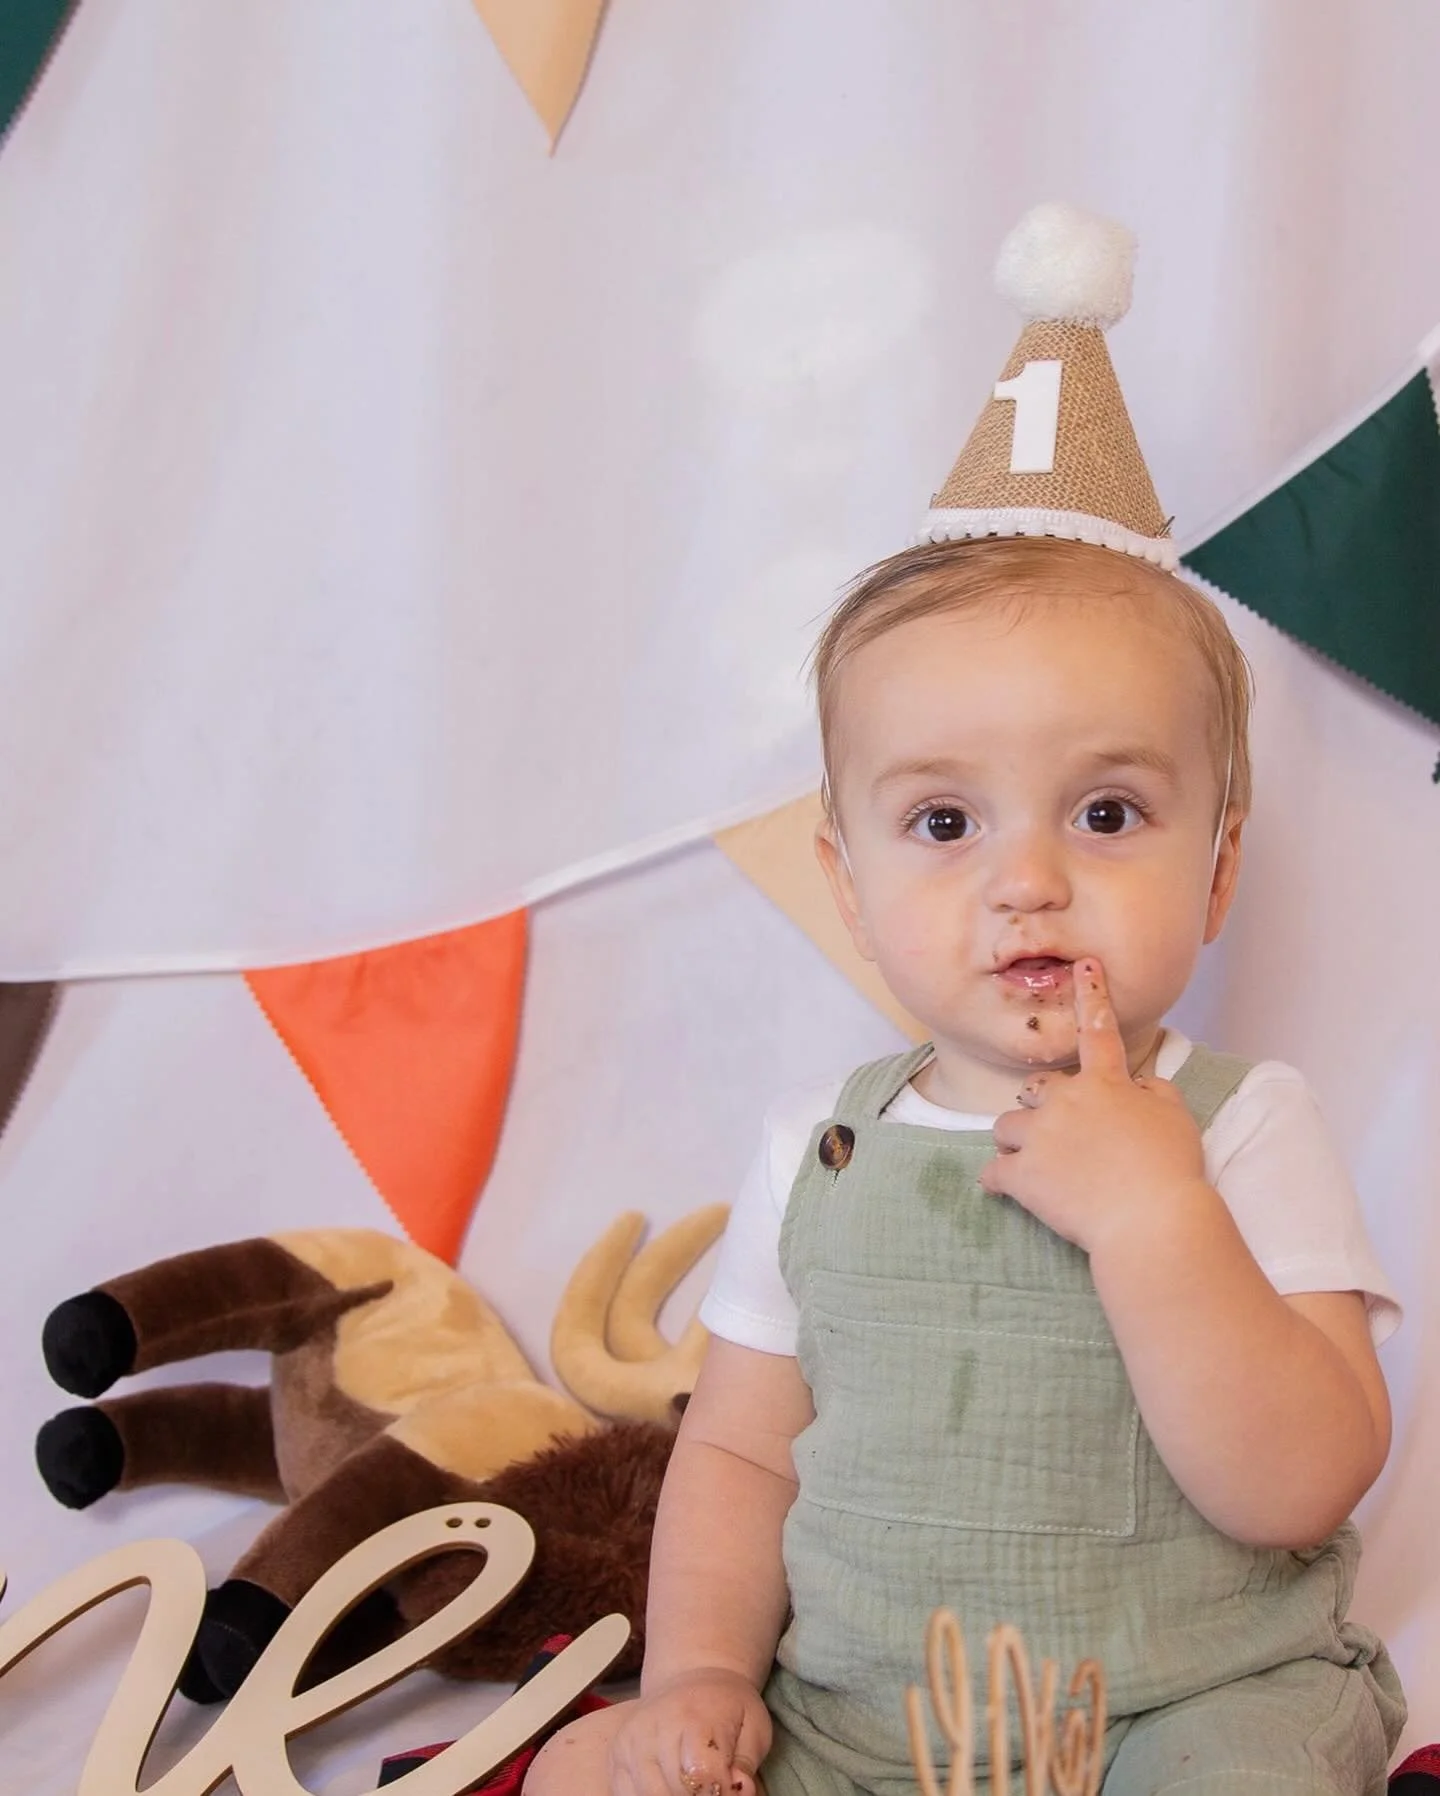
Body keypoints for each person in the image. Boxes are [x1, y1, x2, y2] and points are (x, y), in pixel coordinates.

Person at [524, 206, 1405, 1796]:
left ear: (1215, 872)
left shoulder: (1240, 1127)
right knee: (601, 1781)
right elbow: (735, 1450)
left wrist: (1155, 1222)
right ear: (847, 883)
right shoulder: (826, 1147)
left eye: (1109, 813)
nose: (1029, 882)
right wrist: (705, 1673)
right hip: (875, 1725)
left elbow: (1308, 1477)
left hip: (1185, 1711)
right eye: (946, 823)